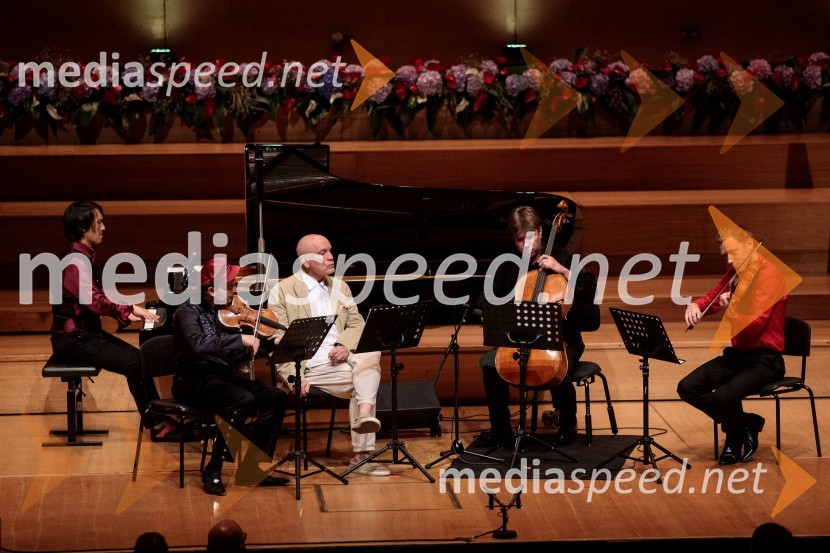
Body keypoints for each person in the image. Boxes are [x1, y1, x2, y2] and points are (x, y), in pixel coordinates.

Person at [268, 234, 389, 477]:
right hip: (312, 365)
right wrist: (294, 377)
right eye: (322, 252)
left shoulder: (339, 286)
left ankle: (363, 416)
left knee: (372, 352)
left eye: (330, 250)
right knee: (366, 380)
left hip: (344, 358)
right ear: (305, 261)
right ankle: (361, 456)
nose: (330, 256)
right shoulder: (282, 290)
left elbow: (356, 324)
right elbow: (277, 341)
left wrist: (344, 345)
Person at [478, 205, 599, 447]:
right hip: (520, 340)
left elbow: (590, 289)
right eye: (520, 240)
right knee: (489, 365)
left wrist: (562, 270)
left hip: (562, 340)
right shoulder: (508, 266)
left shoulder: (563, 257)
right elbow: (487, 299)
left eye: (531, 237)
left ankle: (568, 425)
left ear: (541, 232)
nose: (527, 245)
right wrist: (490, 311)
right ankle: (502, 431)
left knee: (558, 371)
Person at [50, 200, 172, 439]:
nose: (104, 227)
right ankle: (156, 426)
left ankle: (157, 419)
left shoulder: (81, 256)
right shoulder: (75, 262)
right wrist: (128, 310)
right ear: (84, 228)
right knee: (135, 363)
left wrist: (129, 313)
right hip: (73, 340)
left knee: (139, 359)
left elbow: (96, 300)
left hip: (82, 336)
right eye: (99, 222)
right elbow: (93, 302)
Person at [172, 257, 289, 496]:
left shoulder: (224, 312)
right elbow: (197, 344)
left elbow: (234, 354)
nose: (236, 289)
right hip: (193, 381)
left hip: (223, 377)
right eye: (230, 285)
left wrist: (267, 346)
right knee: (242, 399)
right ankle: (213, 468)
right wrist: (239, 339)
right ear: (211, 290)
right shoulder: (186, 312)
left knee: (275, 397)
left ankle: (255, 469)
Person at [677, 225, 787, 465]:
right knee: (688, 387)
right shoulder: (737, 273)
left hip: (765, 360)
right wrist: (695, 305)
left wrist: (734, 307)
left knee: (724, 396)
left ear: (749, 245)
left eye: (733, 253)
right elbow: (714, 298)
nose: (729, 260)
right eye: (725, 255)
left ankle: (733, 439)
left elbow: (753, 327)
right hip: (739, 356)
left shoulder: (770, 276)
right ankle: (746, 422)